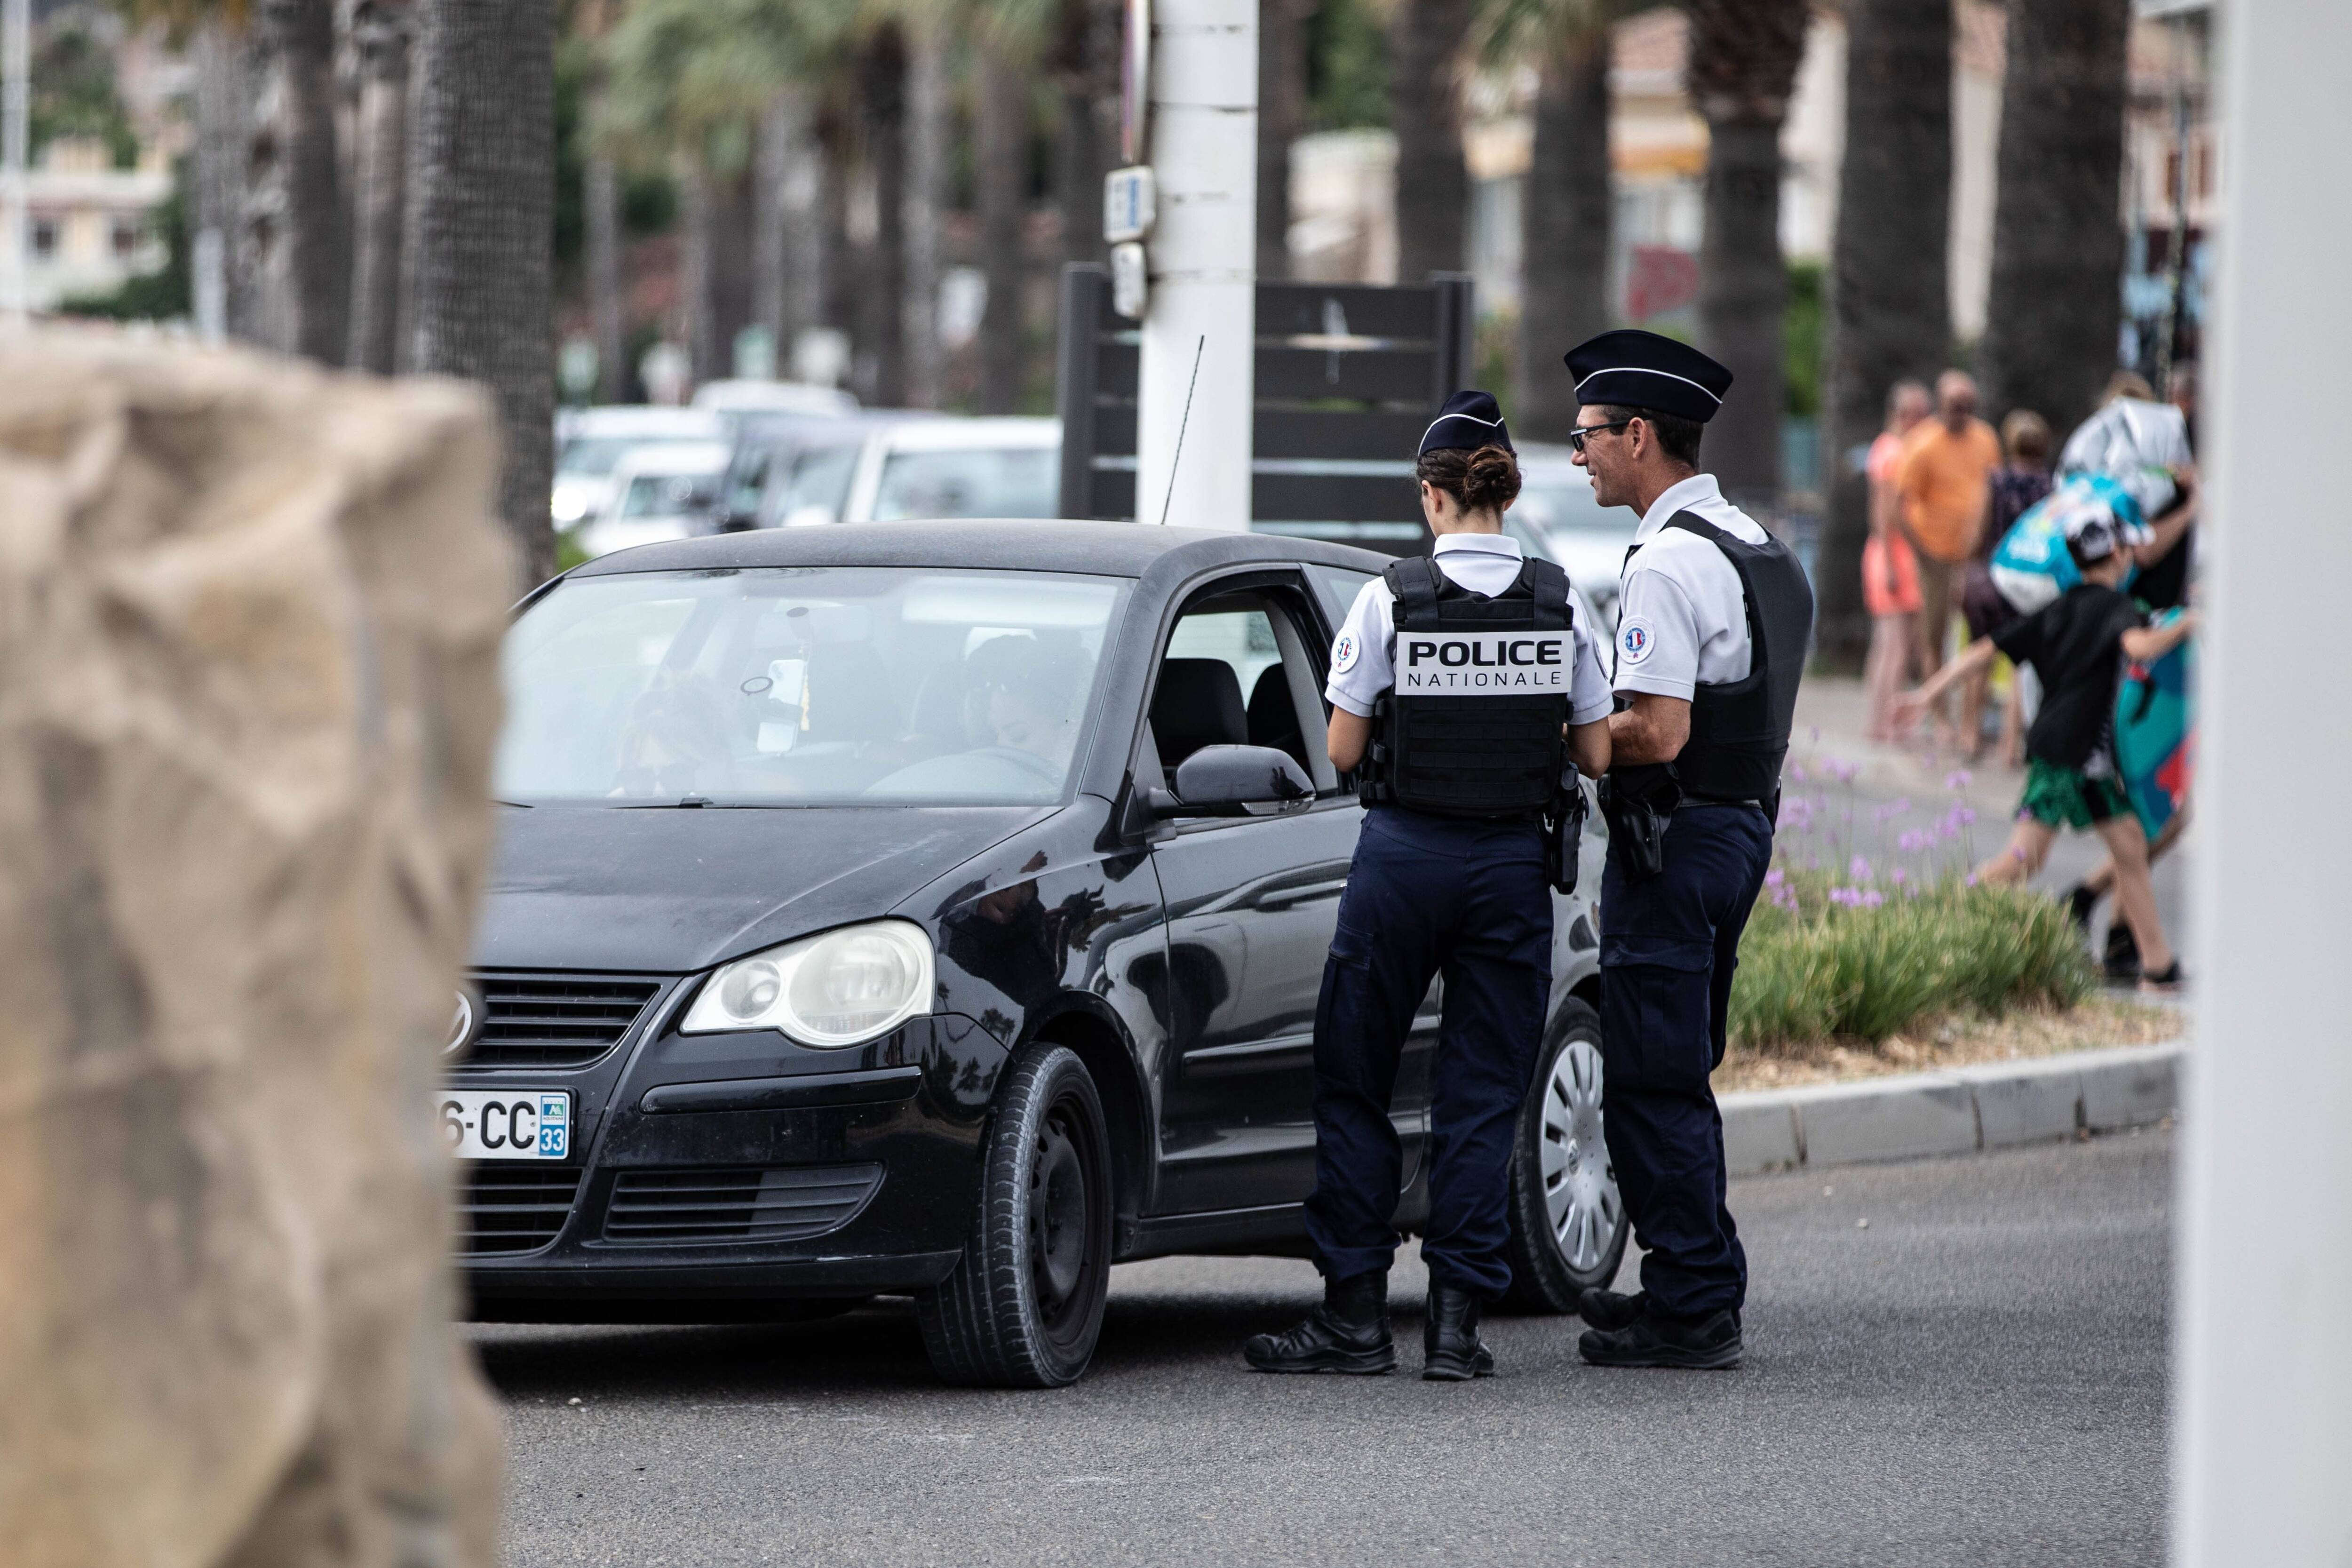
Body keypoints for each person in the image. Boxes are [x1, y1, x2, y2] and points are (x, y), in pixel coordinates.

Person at [1243, 390, 1614, 1381]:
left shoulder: (1391, 598)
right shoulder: (1558, 599)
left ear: (1431, 494)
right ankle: (1454, 1328)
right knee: (1482, 1093)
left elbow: (1341, 746)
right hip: (1509, 869)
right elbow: (1593, 752)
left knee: (1356, 1074)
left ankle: (1355, 1317)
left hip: (1404, 861)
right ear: (1505, 492)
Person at [1562, 330, 1814, 1370]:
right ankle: (1687, 1277)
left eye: (1587, 435)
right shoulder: (1756, 539)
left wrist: (1563, 733)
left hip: (1676, 838)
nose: (1577, 454)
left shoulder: (1667, 560)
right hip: (1739, 828)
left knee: (1652, 1074)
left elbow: (1658, 731)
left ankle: (1695, 1302)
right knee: (1679, 1065)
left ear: (1638, 435)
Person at [1895, 505, 2195, 992]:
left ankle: (2158, 967)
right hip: (2069, 757)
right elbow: (2139, 648)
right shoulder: (2115, 607)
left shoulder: (2056, 609)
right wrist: (2184, 626)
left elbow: (1983, 651)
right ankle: (1931, 916)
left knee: (2129, 846)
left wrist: (1929, 693)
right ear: (2117, 554)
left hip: (2075, 757)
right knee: (2024, 860)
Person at [1895, 370, 2001, 744]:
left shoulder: (1985, 439)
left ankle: (1972, 718)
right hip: (1935, 555)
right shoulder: (1922, 443)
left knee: (1980, 635)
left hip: (1974, 556)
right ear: (1941, 404)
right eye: (1956, 404)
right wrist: (1921, 551)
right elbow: (1901, 503)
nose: (1962, 411)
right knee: (1934, 636)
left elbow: (1994, 489)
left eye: (1968, 405)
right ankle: (1940, 717)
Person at [1966, 409, 2055, 762]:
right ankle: (2010, 746)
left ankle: (1970, 736)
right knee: (2022, 662)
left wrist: (1969, 564)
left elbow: (1979, 531)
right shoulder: (2050, 486)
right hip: (2029, 581)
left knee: (1980, 654)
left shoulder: (1997, 481)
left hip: (1993, 576)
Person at [1863, 381, 1930, 742]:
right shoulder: (1891, 451)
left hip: (1903, 554)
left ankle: (1887, 721)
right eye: (1909, 414)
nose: (1914, 421)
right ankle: (1886, 723)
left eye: (1920, 413)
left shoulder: (1906, 449)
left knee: (1896, 645)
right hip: (1892, 554)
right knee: (1894, 646)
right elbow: (1883, 513)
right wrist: (1890, 563)